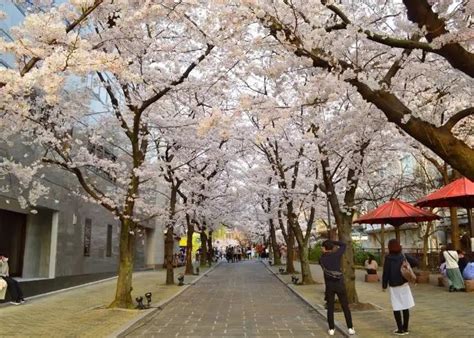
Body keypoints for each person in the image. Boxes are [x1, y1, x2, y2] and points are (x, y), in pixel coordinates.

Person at [319, 240, 355, 336]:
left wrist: (328, 243)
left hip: (329, 286)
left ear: (325, 248)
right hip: (340, 284)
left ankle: (331, 328)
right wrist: (332, 241)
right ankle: (350, 328)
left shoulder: (322, 258)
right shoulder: (337, 254)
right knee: (345, 306)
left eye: (322, 247)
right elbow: (343, 244)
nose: (321, 249)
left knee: (330, 307)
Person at [382, 239, 418, 335]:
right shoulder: (403, 256)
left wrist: (384, 285)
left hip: (394, 285)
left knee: (396, 306)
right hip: (404, 284)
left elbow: (386, 273)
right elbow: (416, 262)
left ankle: (400, 329)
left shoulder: (388, 258)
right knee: (405, 306)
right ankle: (405, 328)